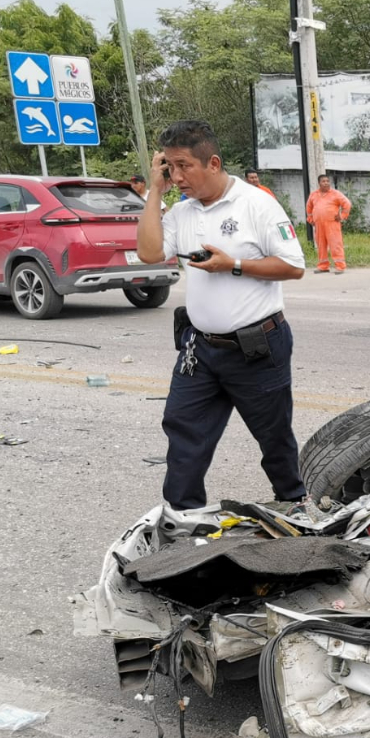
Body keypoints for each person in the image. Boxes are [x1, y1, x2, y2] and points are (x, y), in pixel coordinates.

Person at [135, 119, 308, 514]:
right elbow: (148, 253)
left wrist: (233, 265)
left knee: (274, 438)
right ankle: (183, 518)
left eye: (183, 167)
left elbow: (293, 266)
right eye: (169, 167)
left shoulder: (256, 204)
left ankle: (295, 506)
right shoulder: (182, 211)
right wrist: (154, 191)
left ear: (212, 163)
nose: (176, 176)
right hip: (200, 350)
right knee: (183, 434)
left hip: (257, 347)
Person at [305, 174, 351, 274]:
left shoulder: (335, 194)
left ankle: (340, 266)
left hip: (332, 224)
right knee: (321, 245)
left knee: (335, 244)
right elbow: (309, 207)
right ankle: (323, 266)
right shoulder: (314, 195)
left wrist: (342, 216)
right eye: (323, 181)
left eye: (327, 181)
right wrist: (310, 218)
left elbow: (347, 204)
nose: (326, 183)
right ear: (319, 183)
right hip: (318, 224)